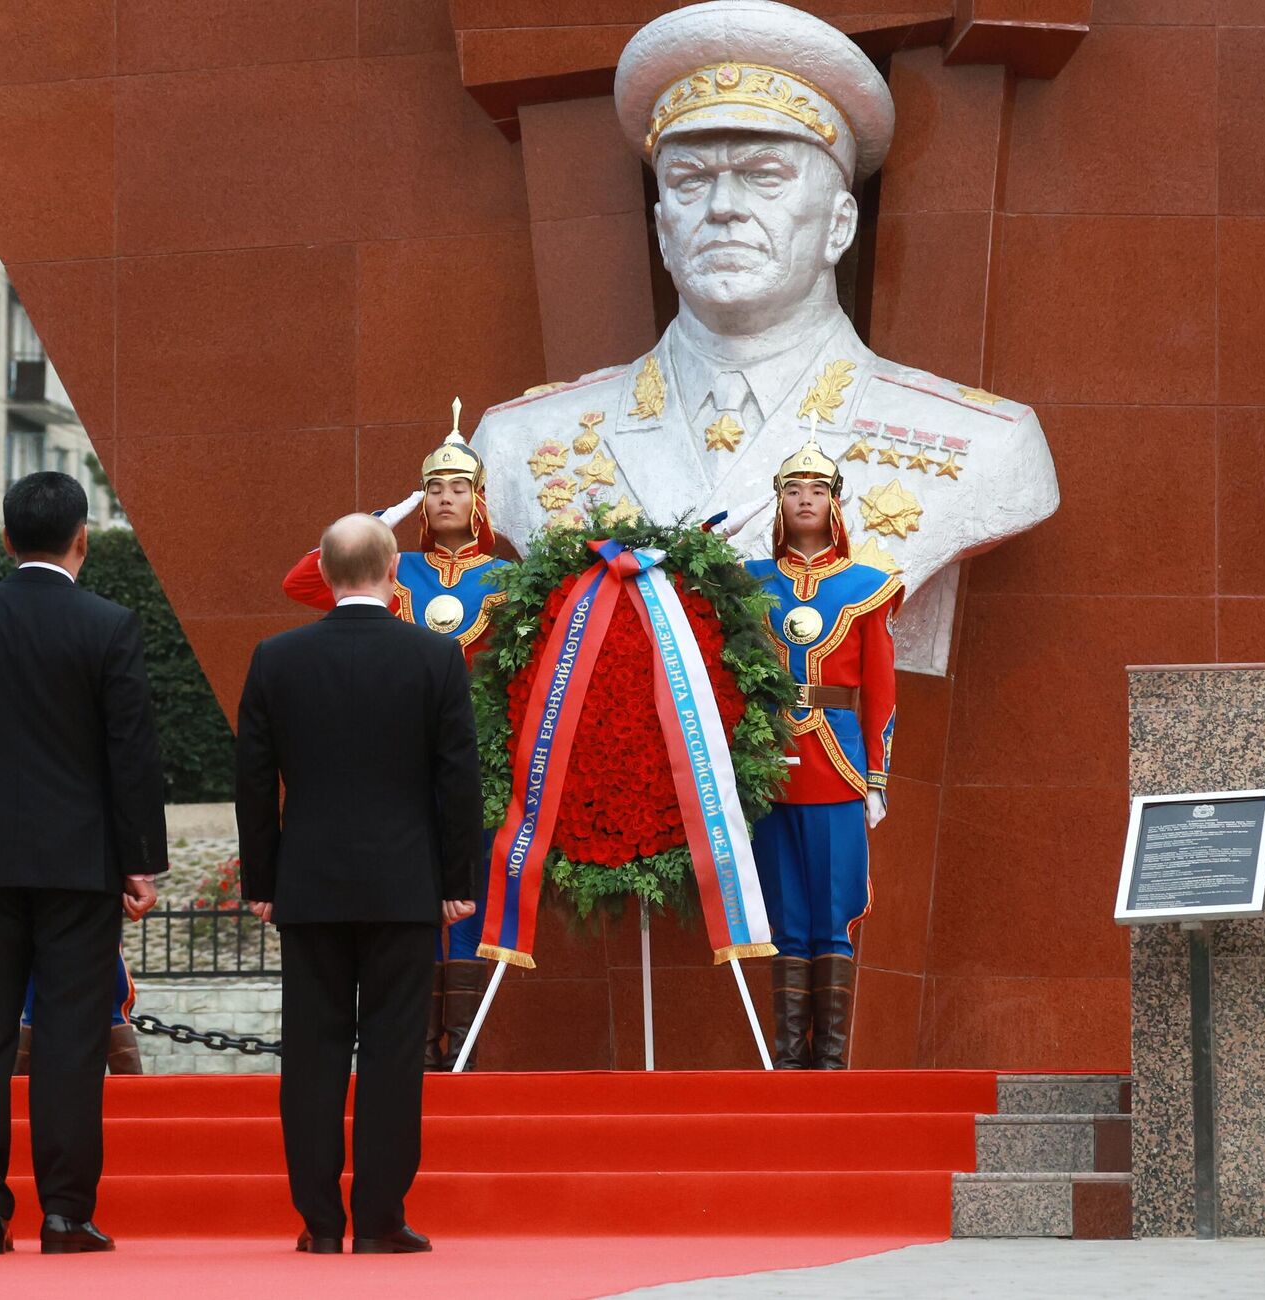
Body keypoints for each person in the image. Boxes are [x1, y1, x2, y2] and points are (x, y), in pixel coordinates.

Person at [471, 0, 1058, 676]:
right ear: (663, 229)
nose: (722, 208)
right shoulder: (520, 442)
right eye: (691, 180)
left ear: (839, 224)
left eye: (764, 175)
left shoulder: (984, 446)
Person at [0, 471, 167, 1257]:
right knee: (69, 1040)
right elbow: (132, 756)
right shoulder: (110, 626)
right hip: (81, 865)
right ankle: (65, 1213)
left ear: (4, 538)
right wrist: (139, 863)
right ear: (83, 539)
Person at [237, 513, 481, 1255]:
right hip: (404, 885)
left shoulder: (275, 659)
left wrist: (264, 880)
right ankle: (380, 1218)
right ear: (393, 570)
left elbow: (253, 782)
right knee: (392, 1052)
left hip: (309, 888)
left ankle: (318, 1221)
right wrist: (456, 879)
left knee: (310, 1053)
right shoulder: (434, 658)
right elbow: (458, 781)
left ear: (325, 571)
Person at [279, 415, 506, 1070]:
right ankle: (412, 1048)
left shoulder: (506, 578)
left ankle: (458, 1051)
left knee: (465, 899)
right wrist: (377, 522)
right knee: (409, 905)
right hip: (401, 767)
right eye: (433, 489)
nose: (443, 499)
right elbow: (301, 582)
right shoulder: (393, 568)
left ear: (478, 499)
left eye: (457, 488)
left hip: (472, 765)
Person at [744, 440, 899, 1069]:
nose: (804, 499)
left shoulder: (867, 586)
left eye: (817, 489)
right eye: (792, 489)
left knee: (834, 913)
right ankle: (788, 1058)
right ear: (778, 504)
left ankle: (830, 1061)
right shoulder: (748, 584)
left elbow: (882, 685)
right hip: (770, 765)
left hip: (837, 762)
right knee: (785, 914)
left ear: (835, 504)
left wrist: (878, 776)